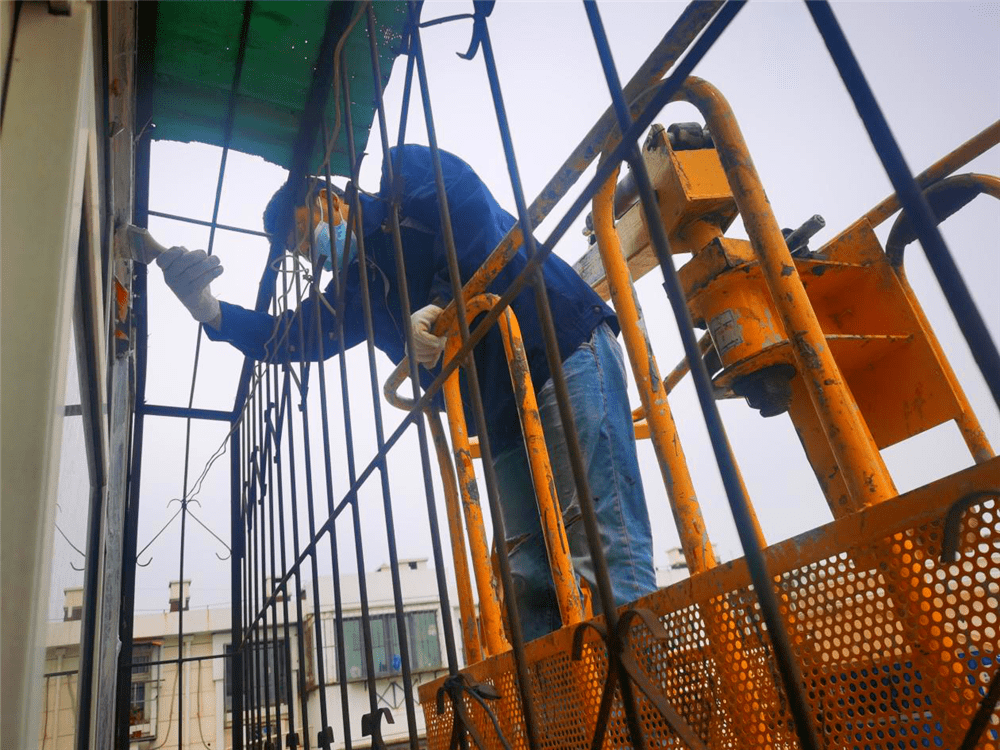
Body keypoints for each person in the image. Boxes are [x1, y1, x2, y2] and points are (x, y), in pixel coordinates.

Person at [157, 144, 656, 641]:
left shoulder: (404, 176)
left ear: (331, 197)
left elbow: (468, 211)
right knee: (526, 573)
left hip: (556, 341)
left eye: (309, 235)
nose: (315, 254)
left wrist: (442, 304)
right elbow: (297, 335)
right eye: (305, 253)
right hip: (498, 409)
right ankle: (570, 709)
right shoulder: (359, 290)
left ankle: (646, 698)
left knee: (598, 535)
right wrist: (212, 312)